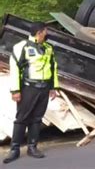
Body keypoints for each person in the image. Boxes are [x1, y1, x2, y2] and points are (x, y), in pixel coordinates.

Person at [3, 22, 59, 164]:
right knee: (22, 118)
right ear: (39, 32)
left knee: (37, 118)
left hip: (44, 88)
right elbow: (15, 69)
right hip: (29, 88)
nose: (47, 33)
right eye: (45, 31)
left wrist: (54, 87)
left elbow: (53, 68)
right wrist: (16, 90)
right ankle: (14, 149)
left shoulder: (48, 48)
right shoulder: (22, 47)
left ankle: (32, 147)